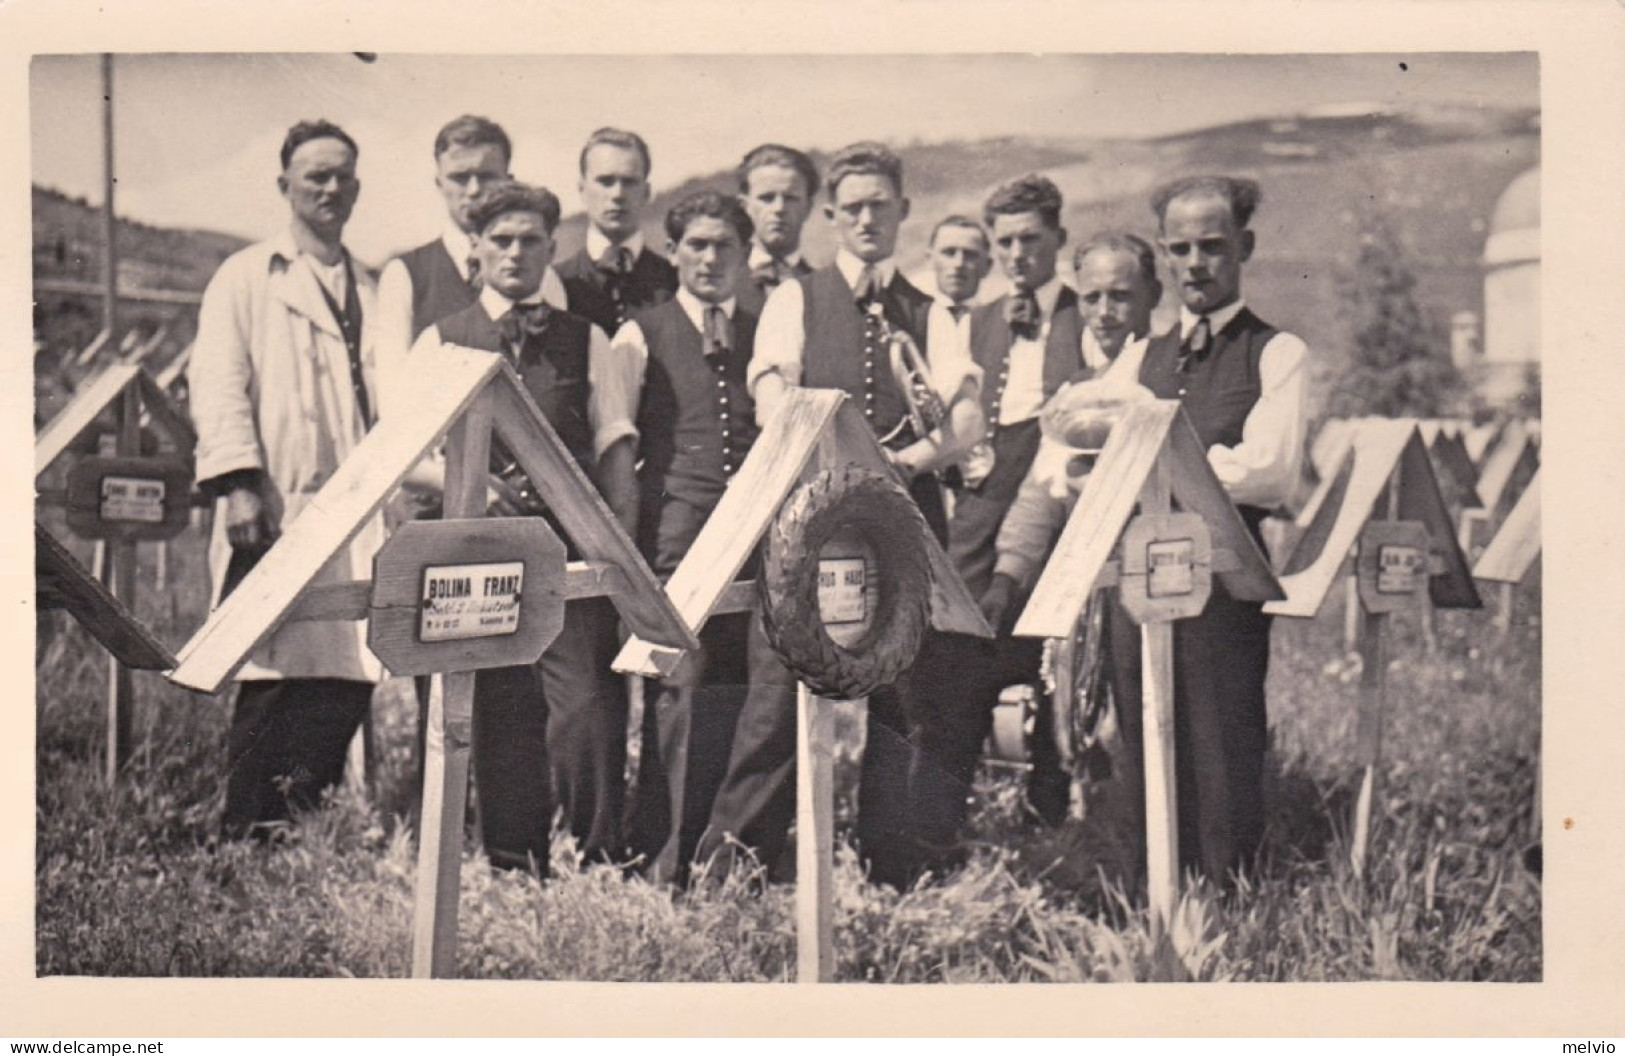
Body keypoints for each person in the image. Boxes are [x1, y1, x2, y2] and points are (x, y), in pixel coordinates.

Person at [748, 141, 985, 889]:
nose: (865, 219)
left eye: (879, 205)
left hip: (906, 522)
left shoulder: (933, 311)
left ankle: (896, 869)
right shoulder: (795, 298)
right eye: (850, 207)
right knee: (778, 692)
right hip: (811, 520)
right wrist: (822, 471)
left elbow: (966, 422)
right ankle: (754, 865)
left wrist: (905, 468)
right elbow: (769, 395)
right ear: (830, 217)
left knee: (908, 698)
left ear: (902, 211)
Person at [405, 181, 631, 872]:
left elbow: (616, 446)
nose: (515, 251)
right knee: (501, 707)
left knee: (585, 704)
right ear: (474, 249)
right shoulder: (440, 339)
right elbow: (405, 455)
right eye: (499, 238)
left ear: (551, 247)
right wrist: (469, 486)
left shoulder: (586, 340)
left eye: (530, 239)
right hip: (477, 554)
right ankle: (516, 861)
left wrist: (616, 553)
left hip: (568, 553)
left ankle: (596, 857)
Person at [597, 190, 797, 885]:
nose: (710, 259)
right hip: (676, 537)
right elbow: (617, 443)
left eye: (725, 247)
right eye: (697, 245)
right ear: (675, 251)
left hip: (764, 534)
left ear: (746, 256)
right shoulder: (638, 332)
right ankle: (665, 858)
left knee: (765, 690)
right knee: (681, 689)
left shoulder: (766, 337)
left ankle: (737, 857)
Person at [189, 119, 381, 840]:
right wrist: (238, 481)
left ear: (356, 188)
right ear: (284, 186)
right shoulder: (245, 276)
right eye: (314, 177)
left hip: (354, 513)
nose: (330, 189)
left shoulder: (367, 283)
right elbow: (218, 385)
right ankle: (245, 836)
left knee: (344, 670)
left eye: (342, 177)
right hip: (274, 505)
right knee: (270, 673)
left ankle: (302, 831)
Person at [1112, 176, 1307, 885]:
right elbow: (1088, 433)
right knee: (1141, 728)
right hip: (1139, 580)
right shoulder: (1141, 356)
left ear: (1244, 248)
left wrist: (1158, 460)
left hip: (1225, 584)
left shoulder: (1275, 353)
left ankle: (1227, 901)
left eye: (1211, 246)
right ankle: (1148, 895)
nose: (1194, 263)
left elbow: (1269, 470)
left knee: (1221, 736)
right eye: (1179, 248)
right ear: (1163, 256)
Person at [940, 175, 1086, 827]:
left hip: (1053, 498)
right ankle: (956, 810)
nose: (1017, 254)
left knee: (1052, 652)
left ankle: (1051, 810)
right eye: (1004, 242)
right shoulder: (976, 320)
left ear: (1057, 238)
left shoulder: (1088, 316)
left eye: (1030, 239)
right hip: (980, 505)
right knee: (962, 646)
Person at [374, 115, 565, 417]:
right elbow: (393, 399)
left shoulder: (542, 274)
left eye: (487, 176)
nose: (474, 190)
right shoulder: (406, 274)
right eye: (460, 177)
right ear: (439, 183)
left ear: (509, 179)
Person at [553, 127, 678, 335]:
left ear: (646, 192)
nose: (618, 194)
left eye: (629, 182)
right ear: (582, 189)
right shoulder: (556, 282)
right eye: (605, 181)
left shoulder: (675, 281)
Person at [735, 143, 819, 310]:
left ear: (808, 207)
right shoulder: (720, 282)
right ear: (744, 206)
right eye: (767, 198)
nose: (779, 208)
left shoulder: (823, 289)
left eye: (790, 198)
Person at [925, 215, 992, 369]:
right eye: (949, 253)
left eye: (970, 255)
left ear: (987, 266)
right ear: (930, 259)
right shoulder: (912, 320)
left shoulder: (998, 321)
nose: (958, 263)